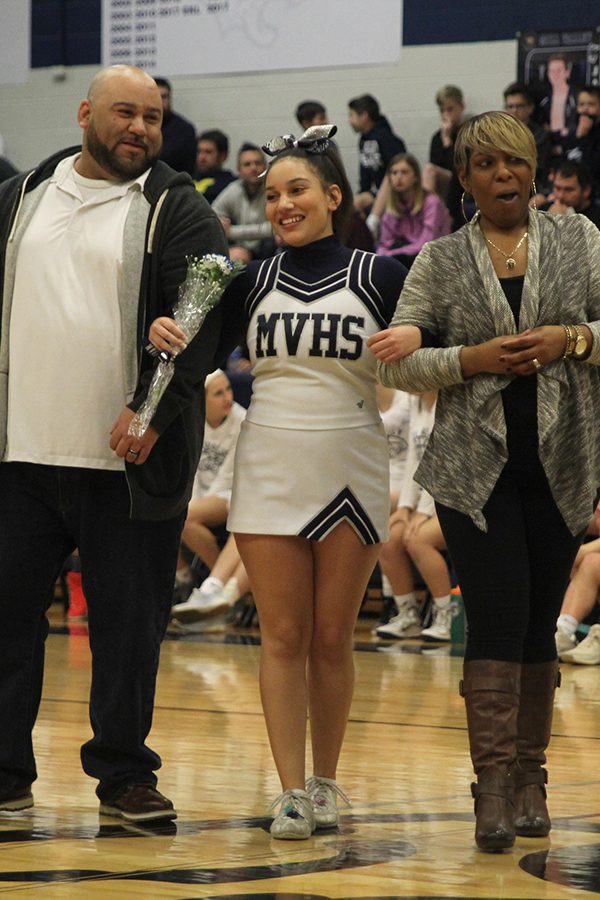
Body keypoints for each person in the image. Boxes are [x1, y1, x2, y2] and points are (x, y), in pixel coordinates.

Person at [148, 124, 411, 840]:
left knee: (332, 637)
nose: (285, 203)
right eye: (273, 194)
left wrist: (418, 339)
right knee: (282, 636)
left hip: (352, 463)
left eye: (298, 190)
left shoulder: (380, 274)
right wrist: (168, 331)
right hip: (268, 464)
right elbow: (201, 345)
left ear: (333, 195)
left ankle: (328, 781)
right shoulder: (250, 279)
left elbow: (432, 343)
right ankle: (289, 790)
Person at [0, 65, 227, 820]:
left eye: (154, 117)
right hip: (19, 457)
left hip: (128, 465)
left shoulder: (179, 209)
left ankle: (125, 772)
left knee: (129, 631)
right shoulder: (21, 195)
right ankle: (5, 773)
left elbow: (197, 328)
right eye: (125, 113)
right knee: (5, 621)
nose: (140, 128)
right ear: (84, 113)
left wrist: (150, 414)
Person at [371, 111, 600, 851]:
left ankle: (532, 779)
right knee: (498, 620)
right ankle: (492, 788)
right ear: (465, 179)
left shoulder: (581, 238)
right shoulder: (438, 260)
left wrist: (573, 338)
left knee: (538, 626)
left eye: (517, 162)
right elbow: (396, 363)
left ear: (534, 171)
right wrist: (469, 359)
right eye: (488, 164)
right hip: (475, 476)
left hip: (566, 465)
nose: (505, 175)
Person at [376, 392, 453, 642]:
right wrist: (405, 509)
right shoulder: (417, 402)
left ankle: (445, 616)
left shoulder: (448, 400)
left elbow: (443, 465)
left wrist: (423, 512)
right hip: (427, 501)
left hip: (455, 499)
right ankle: (407, 614)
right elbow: (414, 463)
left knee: (418, 540)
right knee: (388, 538)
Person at [171, 369, 246, 618]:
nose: (228, 397)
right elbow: (189, 471)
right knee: (179, 517)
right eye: (218, 393)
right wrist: (190, 501)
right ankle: (189, 579)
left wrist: (196, 504)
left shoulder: (242, 421)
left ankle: (214, 586)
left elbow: (228, 476)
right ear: (202, 400)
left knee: (185, 513)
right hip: (202, 498)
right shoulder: (193, 421)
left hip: (232, 494)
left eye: (228, 389)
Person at [376, 153, 450, 268]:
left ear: (415, 177)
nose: (398, 177)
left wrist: (391, 254)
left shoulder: (432, 202)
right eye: (394, 173)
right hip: (405, 254)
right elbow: (384, 244)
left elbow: (427, 243)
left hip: (433, 257)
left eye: (404, 172)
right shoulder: (392, 206)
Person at [211, 142, 273, 262]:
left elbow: (276, 228)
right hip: (242, 248)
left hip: (269, 247)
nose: (253, 168)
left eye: (258, 163)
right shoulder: (234, 189)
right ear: (238, 170)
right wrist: (219, 223)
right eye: (247, 164)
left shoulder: (274, 187)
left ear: (265, 167)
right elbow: (211, 215)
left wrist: (232, 232)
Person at [348, 93, 406, 214]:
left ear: (364, 116)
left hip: (389, 192)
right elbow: (365, 170)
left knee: (356, 204)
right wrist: (363, 191)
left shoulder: (387, 138)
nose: (349, 121)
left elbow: (396, 171)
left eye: (351, 115)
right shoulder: (363, 140)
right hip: (372, 193)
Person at [503, 82, 552, 192]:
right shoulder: (500, 134)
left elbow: (536, 169)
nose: (514, 111)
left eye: (519, 106)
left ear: (530, 108)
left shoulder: (540, 136)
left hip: (532, 188)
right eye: (510, 106)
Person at [422, 85, 465, 200]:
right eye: (442, 110)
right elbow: (435, 164)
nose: (446, 115)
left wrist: (447, 143)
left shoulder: (468, 133)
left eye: (450, 109)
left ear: (461, 107)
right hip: (444, 186)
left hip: (464, 181)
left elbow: (458, 167)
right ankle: (432, 211)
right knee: (428, 170)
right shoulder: (437, 137)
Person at [154, 76, 197, 175]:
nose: (160, 101)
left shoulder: (184, 130)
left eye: (164, 97)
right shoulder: (140, 126)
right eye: (156, 96)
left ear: (170, 99)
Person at [541, 160, 600, 228]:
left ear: (586, 190)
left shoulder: (597, 219)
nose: (560, 196)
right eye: (557, 188)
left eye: (568, 190)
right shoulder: (544, 210)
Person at [565, 86, 600, 189]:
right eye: (581, 104)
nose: (585, 109)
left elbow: (593, 167)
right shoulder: (573, 131)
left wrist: (583, 138)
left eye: (591, 104)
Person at [194, 129, 237, 204]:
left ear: (223, 156)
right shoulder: (187, 178)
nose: (202, 157)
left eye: (208, 152)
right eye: (199, 151)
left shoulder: (231, 185)